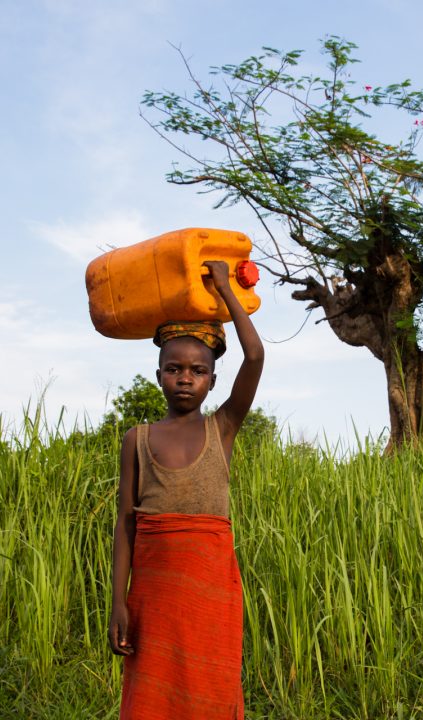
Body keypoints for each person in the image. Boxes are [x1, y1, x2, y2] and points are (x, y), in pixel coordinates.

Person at [109, 260, 263, 720]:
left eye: (197, 371)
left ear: (212, 381)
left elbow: (255, 357)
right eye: (173, 368)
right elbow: (126, 523)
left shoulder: (224, 428)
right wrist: (118, 602)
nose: (184, 378)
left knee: (210, 687)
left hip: (211, 592)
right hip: (152, 596)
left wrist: (225, 290)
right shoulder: (137, 439)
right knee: (152, 696)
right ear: (158, 376)